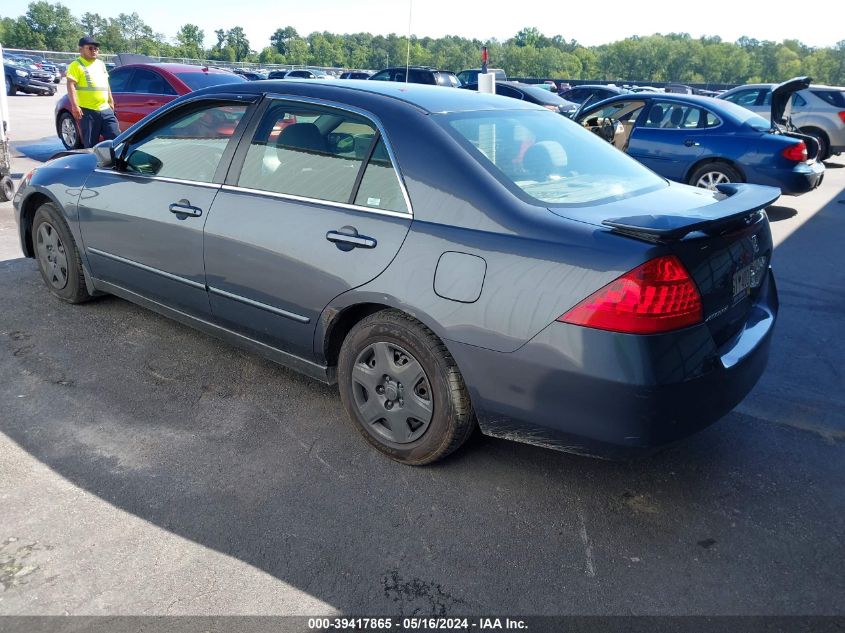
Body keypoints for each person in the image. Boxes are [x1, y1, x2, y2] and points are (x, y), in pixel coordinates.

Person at [66, 36, 119, 148]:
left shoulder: (100, 64)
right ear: (81, 49)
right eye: (90, 48)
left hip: (105, 110)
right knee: (91, 144)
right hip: (88, 111)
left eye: (96, 48)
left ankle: (114, 163)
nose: (94, 50)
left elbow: (106, 84)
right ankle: (93, 164)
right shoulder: (76, 65)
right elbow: (70, 85)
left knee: (116, 139)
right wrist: (75, 106)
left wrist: (111, 100)